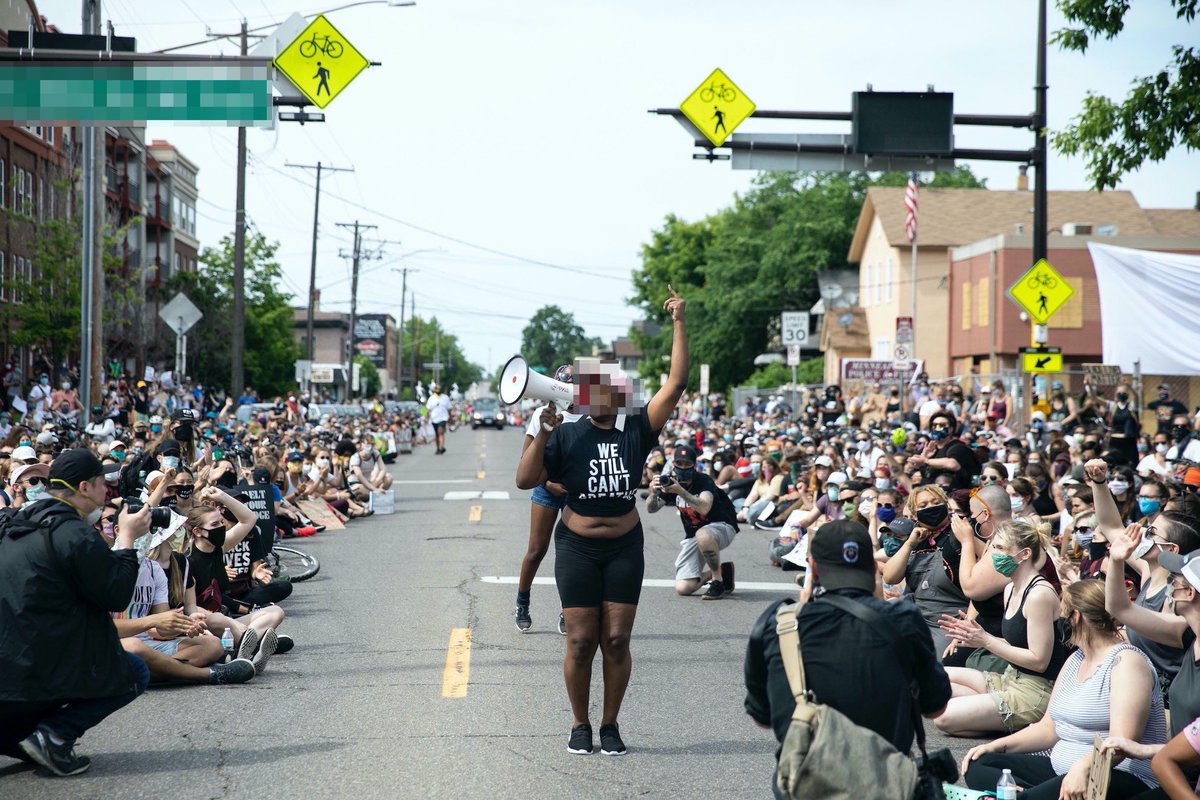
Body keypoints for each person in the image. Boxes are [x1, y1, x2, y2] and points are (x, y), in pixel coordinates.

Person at [515, 284, 686, 757]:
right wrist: (542, 434)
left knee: (616, 639)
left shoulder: (637, 428)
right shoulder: (566, 434)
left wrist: (678, 322)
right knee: (580, 641)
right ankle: (579, 724)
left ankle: (610, 724)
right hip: (577, 547)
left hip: (625, 548)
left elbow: (675, 384)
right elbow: (523, 478)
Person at [744, 520, 952, 800]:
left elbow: (763, 719)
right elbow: (935, 708)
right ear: (872, 566)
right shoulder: (903, 620)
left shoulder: (779, 625)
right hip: (886, 783)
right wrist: (879, 602)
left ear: (813, 568)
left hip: (806, 783)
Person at [0, 448, 152, 775]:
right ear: (84, 488)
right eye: (101, 483)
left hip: (9, 666)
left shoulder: (17, 523)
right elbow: (116, 595)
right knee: (134, 672)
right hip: (34, 672)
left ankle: (31, 738)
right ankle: (54, 735)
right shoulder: (73, 533)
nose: (107, 491)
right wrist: (126, 537)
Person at [962, 579, 1167, 799]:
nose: (1059, 618)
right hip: (1061, 769)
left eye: (1063, 611)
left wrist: (1083, 767)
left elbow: (1121, 743)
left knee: (1026, 792)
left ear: (1076, 616)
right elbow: (1048, 728)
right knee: (979, 763)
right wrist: (997, 746)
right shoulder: (1076, 659)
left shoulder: (1126, 663)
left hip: (1115, 775)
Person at [935, 520, 1068, 737]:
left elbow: (1039, 661)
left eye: (1000, 549)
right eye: (992, 548)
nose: (993, 555)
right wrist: (974, 637)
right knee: (936, 677)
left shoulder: (1038, 595)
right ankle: (991, 716)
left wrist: (986, 640)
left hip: (1033, 691)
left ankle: (1021, 729)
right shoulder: (1010, 589)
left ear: (1024, 554)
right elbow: (1017, 644)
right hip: (1008, 678)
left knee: (943, 718)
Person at [514, 364, 579, 635]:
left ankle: (568, 609)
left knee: (571, 555)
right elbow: (526, 460)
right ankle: (522, 602)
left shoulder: (590, 416)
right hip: (545, 488)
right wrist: (547, 483)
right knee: (536, 550)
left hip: (575, 492)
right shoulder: (543, 414)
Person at [882, 484, 970, 656]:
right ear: (915, 515)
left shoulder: (960, 533)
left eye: (935, 502)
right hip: (917, 618)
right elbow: (890, 577)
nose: (930, 508)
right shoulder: (915, 540)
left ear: (946, 505)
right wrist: (909, 543)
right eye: (923, 506)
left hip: (950, 623)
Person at [647, 444, 739, 599]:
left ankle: (718, 582)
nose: (683, 467)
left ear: (694, 465)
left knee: (703, 534)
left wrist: (680, 491)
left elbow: (704, 508)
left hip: (721, 527)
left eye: (687, 464)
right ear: (674, 464)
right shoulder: (671, 481)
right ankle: (721, 571)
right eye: (679, 464)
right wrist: (653, 492)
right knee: (684, 587)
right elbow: (652, 509)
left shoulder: (703, 481)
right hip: (695, 535)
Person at [427, 383, 451, 454]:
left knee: (441, 432)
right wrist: (425, 416)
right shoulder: (431, 398)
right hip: (434, 419)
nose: (438, 390)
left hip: (443, 418)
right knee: (437, 434)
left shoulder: (445, 398)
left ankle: (441, 447)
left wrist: (450, 416)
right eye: (436, 388)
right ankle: (438, 448)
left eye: (439, 388)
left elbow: (449, 408)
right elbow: (428, 409)